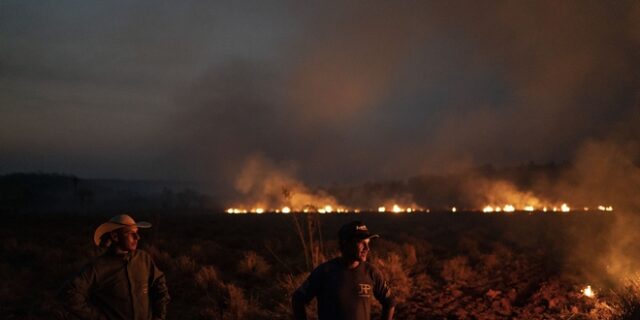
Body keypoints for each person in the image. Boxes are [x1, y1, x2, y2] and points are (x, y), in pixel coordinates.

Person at [62, 214, 170, 320]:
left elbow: (159, 284)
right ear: (115, 236)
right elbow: (70, 293)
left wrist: (159, 316)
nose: (137, 237)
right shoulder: (98, 267)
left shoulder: (143, 258)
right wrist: (98, 317)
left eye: (136, 233)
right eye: (130, 233)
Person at [292, 220, 396, 320]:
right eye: (361, 242)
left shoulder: (371, 272)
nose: (367, 248)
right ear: (346, 243)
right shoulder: (324, 272)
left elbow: (390, 302)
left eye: (368, 243)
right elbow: (298, 299)